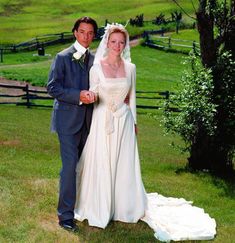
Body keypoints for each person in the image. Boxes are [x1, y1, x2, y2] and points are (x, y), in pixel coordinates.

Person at [74, 23, 217, 241]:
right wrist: (90, 97)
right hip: (103, 120)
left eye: (122, 42)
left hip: (124, 121)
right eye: (114, 41)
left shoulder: (130, 68)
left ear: (125, 44)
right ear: (107, 42)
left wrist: (134, 123)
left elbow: (131, 98)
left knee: (123, 164)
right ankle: (101, 204)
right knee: (102, 161)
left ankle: (124, 206)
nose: (118, 45)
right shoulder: (96, 67)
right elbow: (93, 93)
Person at [47, 16, 98, 231]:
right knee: (69, 169)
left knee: (87, 167)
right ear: (75, 32)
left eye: (90, 33)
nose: (86, 36)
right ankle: (65, 216)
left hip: (90, 122)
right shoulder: (62, 57)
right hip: (67, 122)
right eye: (82, 31)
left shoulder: (96, 59)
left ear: (94, 36)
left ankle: (86, 208)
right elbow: (52, 87)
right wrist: (79, 95)